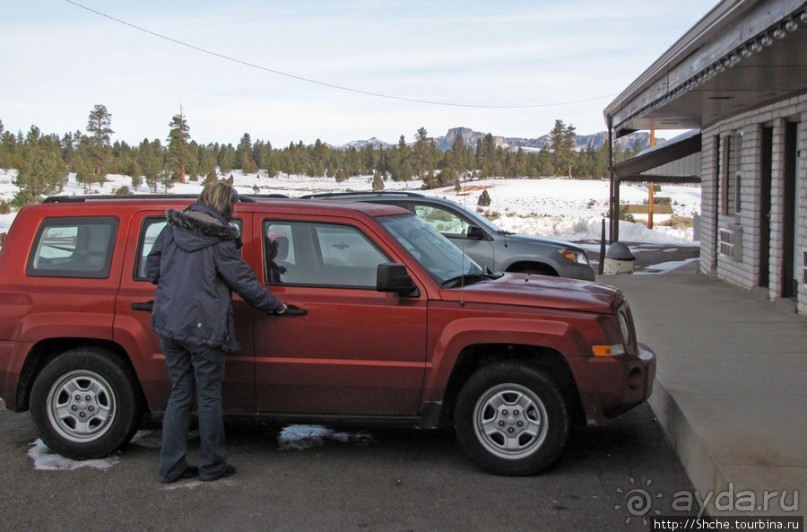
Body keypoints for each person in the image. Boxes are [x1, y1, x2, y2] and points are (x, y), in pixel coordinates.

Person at [146, 182, 286, 483]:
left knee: (180, 394)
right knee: (209, 397)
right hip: (204, 328)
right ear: (226, 206)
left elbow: (152, 270)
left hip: (169, 325)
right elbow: (244, 282)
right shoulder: (219, 239)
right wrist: (275, 305)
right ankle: (212, 466)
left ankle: (170, 467)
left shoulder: (171, 229)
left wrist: (178, 285)